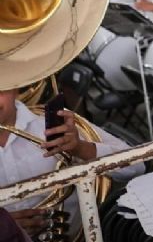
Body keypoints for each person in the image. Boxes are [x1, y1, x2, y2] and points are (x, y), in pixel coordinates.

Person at [0, 89, 143, 239]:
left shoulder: (55, 123)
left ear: (14, 88)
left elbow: (136, 166)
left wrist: (80, 148)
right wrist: (5, 227)